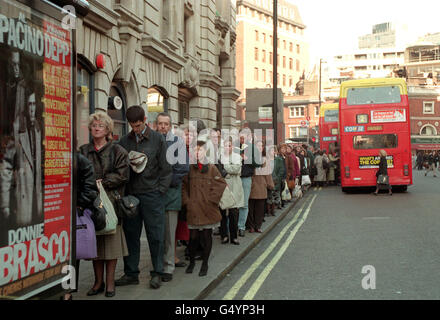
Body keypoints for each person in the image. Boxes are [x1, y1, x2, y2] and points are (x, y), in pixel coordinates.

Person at [117, 105, 172, 289]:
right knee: (131, 235)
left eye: (139, 125)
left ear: (145, 121)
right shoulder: (125, 141)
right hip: (132, 196)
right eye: (133, 126)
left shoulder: (157, 139)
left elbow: (166, 169)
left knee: (155, 236)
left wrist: (160, 191)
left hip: (152, 195)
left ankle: (157, 272)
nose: (136, 129)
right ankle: (131, 273)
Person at [79, 112, 130, 298]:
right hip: (90, 202)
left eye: (101, 125)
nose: (97, 127)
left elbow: (123, 175)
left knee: (111, 246)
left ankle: (109, 283)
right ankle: (97, 282)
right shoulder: (83, 151)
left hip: (111, 202)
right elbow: (78, 173)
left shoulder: (118, 151)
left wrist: (103, 181)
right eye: (94, 125)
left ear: (108, 129)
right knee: (95, 246)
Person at [0, 89, 44, 235]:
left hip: (36, 198)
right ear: (26, 106)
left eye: (34, 104)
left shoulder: (38, 128)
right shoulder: (18, 129)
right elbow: (6, 166)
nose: (32, 108)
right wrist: (5, 204)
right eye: (29, 104)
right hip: (22, 196)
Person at [182, 140, 227, 276]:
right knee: (193, 238)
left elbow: (220, 184)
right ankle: (191, 262)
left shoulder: (212, 168)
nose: (197, 152)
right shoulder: (189, 168)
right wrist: (187, 202)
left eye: (200, 150)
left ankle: (205, 263)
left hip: (207, 209)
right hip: (193, 208)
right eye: (195, 150)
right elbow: (183, 186)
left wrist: (211, 200)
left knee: (206, 236)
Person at [156, 113, 189, 282]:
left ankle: (168, 266)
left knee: (169, 234)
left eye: (166, 124)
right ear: (156, 125)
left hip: (170, 195)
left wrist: (165, 183)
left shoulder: (178, 143)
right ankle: (157, 266)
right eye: (160, 123)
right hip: (154, 196)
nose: (163, 126)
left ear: (170, 126)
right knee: (156, 234)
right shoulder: (152, 141)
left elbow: (182, 168)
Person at [61, 152, 98, 300]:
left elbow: (90, 188)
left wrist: (79, 206)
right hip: (53, 210)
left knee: (70, 253)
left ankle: (67, 292)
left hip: (71, 210)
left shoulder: (79, 160)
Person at [219, 137, 244, 245]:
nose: (227, 147)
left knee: (234, 213)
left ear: (232, 146)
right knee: (222, 213)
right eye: (225, 145)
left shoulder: (237, 157)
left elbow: (236, 169)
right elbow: (218, 171)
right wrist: (227, 170)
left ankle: (234, 237)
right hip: (223, 187)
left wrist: (225, 168)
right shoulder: (220, 157)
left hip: (235, 187)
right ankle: (224, 235)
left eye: (229, 145)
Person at [237, 130, 262, 237]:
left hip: (246, 178)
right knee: (233, 204)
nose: (242, 138)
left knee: (244, 203)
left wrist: (248, 159)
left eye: (245, 136)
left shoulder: (253, 148)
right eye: (241, 136)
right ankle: (231, 227)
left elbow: (258, 163)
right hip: (234, 178)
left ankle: (241, 226)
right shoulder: (234, 147)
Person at [247, 143, 274, 233]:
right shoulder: (251, 158)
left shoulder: (265, 159)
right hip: (251, 184)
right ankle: (251, 226)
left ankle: (258, 226)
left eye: (261, 146)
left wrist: (270, 184)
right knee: (250, 208)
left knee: (260, 208)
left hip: (262, 184)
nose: (259, 148)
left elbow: (268, 173)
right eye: (257, 146)